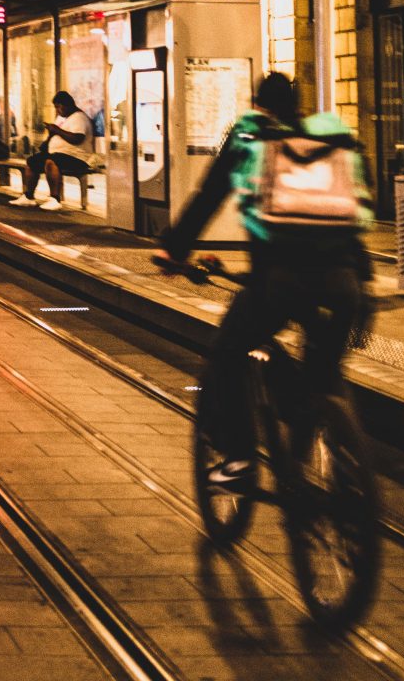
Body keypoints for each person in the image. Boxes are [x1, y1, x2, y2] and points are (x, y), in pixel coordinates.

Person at [157, 72, 372, 495]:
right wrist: (363, 286)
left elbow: (210, 194)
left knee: (227, 354)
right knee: (323, 377)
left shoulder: (250, 137)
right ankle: (327, 467)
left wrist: (174, 249)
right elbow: (354, 216)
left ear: (257, 103)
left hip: (281, 281)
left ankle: (239, 460)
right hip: (346, 284)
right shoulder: (329, 144)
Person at [21, 92, 95, 209]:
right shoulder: (62, 118)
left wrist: (57, 130)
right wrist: (51, 135)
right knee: (32, 161)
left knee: (51, 161)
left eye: (58, 107)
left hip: (77, 157)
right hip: (59, 154)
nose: (57, 110)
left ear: (67, 105)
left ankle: (55, 198)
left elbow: (77, 138)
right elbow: (56, 133)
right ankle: (28, 196)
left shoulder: (79, 117)